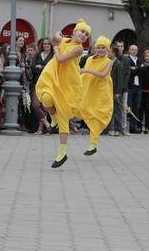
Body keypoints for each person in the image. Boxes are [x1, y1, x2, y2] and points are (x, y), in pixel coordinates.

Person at [36, 18, 91, 168]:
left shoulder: (78, 49)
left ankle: (62, 152)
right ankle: (52, 117)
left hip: (68, 84)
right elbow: (56, 38)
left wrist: (55, 48)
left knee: (63, 117)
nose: (84, 35)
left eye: (86, 34)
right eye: (82, 31)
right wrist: (56, 37)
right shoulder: (66, 40)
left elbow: (60, 59)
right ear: (74, 31)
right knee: (45, 98)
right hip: (54, 77)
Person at [80, 35, 113, 155]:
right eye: (98, 47)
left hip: (101, 93)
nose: (100, 50)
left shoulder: (109, 62)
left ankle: (93, 144)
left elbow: (103, 74)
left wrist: (86, 70)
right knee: (83, 110)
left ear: (108, 50)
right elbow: (83, 74)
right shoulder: (89, 59)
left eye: (103, 48)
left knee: (96, 117)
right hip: (89, 91)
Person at [31, 37, 53, 135]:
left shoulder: (53, 55)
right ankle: (46, 123)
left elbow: (52, 69)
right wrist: (42, 68)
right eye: (44, 44)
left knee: (44, 106)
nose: (46, 45)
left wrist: (41, 67)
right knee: (35, 105)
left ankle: (41, 129)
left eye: (48, 43)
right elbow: (33, 68)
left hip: (49, 83)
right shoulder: (37, 55)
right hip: (37, 82)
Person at [108, 45, 123, 136]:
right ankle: (110, 128)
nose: (108, 53)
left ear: (113, 53)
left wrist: (118, 92)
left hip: (115, 90)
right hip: (108, 89)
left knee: (117, 110)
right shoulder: (109, 62)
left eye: (109, 52)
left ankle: (118, 129)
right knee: (109, 110)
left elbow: (120, 79)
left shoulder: (118, 64)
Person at [126, 44, 142, 133]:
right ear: (129, 50)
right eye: (132, 49)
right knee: (128, 107)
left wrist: (135, 69)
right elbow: (129, 72)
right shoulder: (127, 60)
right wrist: (137, 70)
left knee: (137, 107)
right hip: (130, 86)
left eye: (135, 50)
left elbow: (142, 72)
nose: (133, 51)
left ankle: (133, 127)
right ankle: (124, 126)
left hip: (138, 86)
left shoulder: (139, 60)